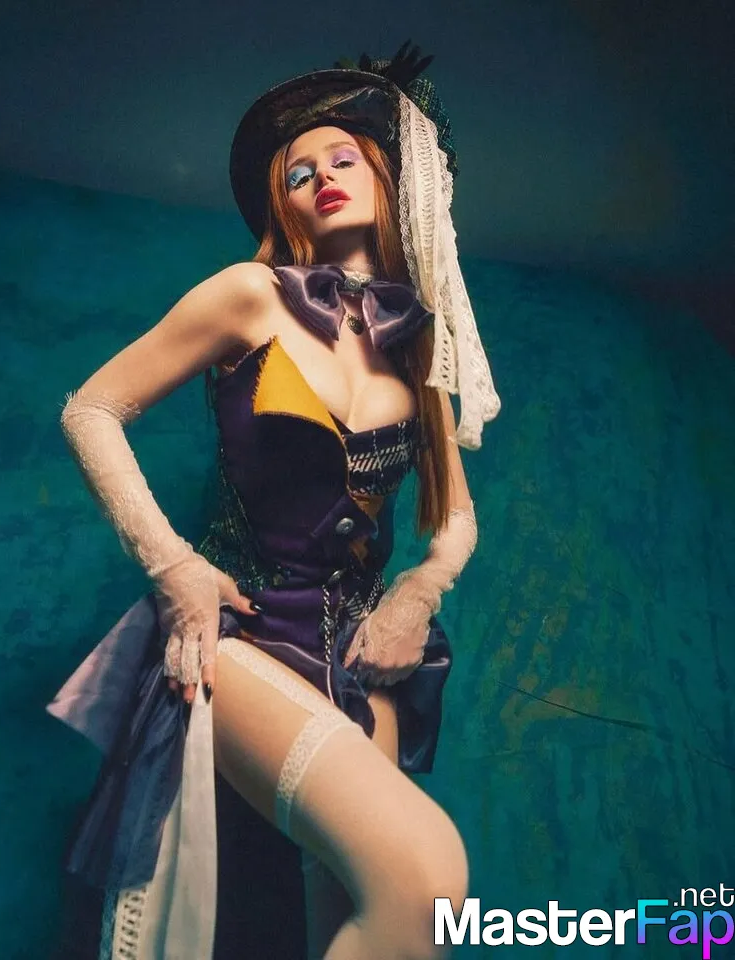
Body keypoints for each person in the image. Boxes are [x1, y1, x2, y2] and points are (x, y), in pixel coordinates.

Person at [47, 41, 500, 960]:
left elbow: (454, 517)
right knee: (425, 873)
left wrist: (419, 593)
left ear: (390, 178)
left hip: (363, 658)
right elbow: (90, 409)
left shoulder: (420, 345)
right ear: (281, 205)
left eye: (344, 159)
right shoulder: (250, 295)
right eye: (299, 172)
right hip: (242, 639)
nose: (322, 177)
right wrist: (174, 566)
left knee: (378, 916)